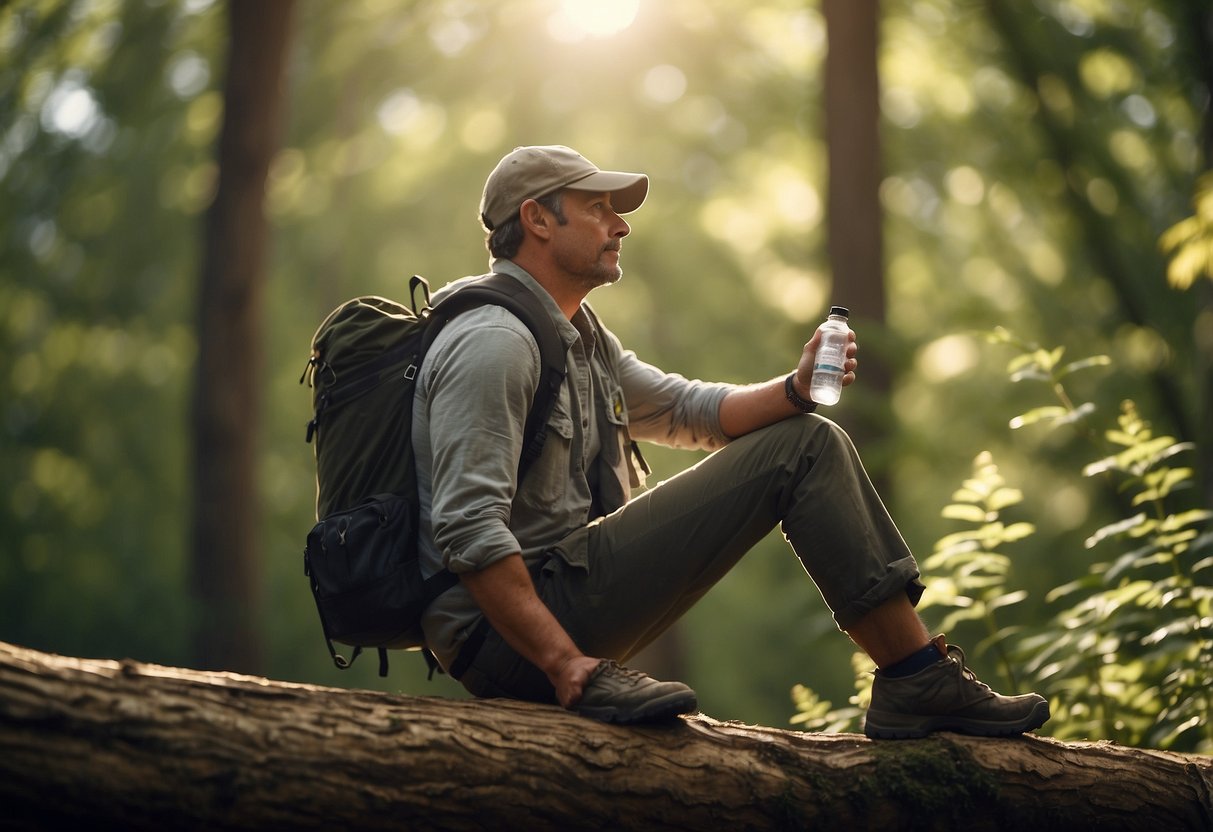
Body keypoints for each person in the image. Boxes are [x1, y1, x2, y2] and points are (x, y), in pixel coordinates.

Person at [413, 144, 1050, 738]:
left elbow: (689, 409)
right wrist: (566, 665)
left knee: (805, 434)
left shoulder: (577, 338)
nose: (621, 226)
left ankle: (915, 680)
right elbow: (468, 527)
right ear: (538, 220)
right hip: (507, 635)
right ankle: (918, 682)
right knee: (804, 449)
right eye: (598, 209)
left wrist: (797, 389)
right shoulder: (494, 342)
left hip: (559, 598)